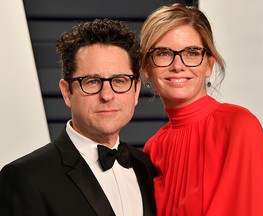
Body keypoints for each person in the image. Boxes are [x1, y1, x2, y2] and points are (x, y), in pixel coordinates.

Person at [140, 3, 263, 216]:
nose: (178, 65)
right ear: (147, 67)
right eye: (163, 53)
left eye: (191, 53)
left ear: (209, 65)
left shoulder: (238, 126)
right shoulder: (153, 149)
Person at [0, 18, 156, 216]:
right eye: (91, 82)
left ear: (135, 91)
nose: (107, 95)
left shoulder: (148, 168)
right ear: (67, 92)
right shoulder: (26, 177)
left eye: (119, 80)